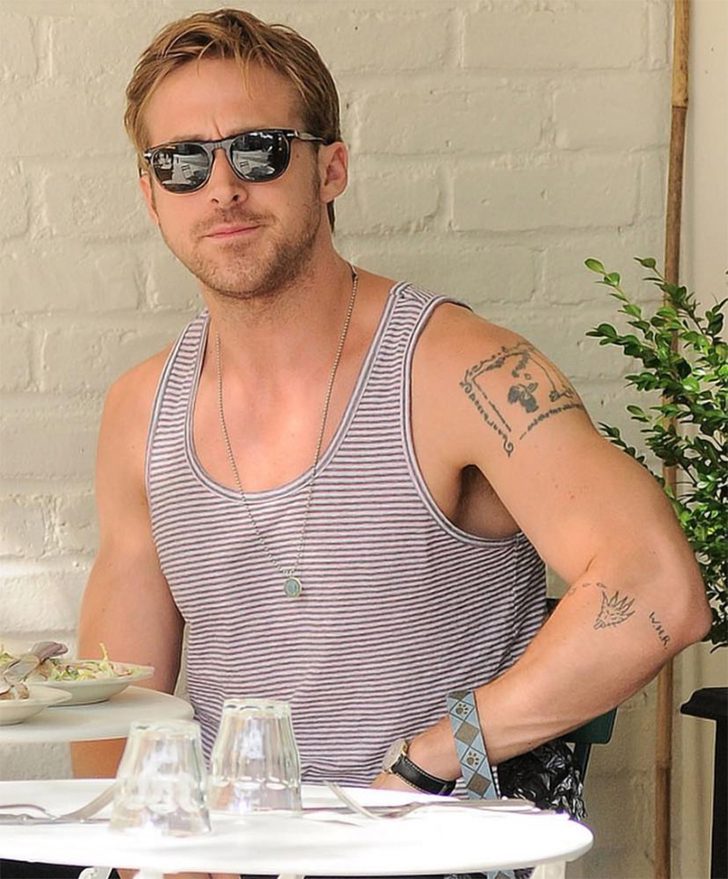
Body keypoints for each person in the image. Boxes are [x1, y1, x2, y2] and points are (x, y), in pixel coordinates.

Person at [70, 5, 710, 875]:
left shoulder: (459, 371)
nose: (220, 188)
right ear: (151, 195)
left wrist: (430, 758)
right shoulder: (142, 410)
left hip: (428, 847)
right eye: (180, 163)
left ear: (330, 167)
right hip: (232, 853)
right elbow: (115, 700)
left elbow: (658, 588)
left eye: (258, 150)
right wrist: (146, 854)